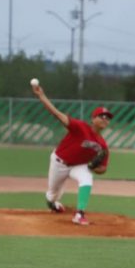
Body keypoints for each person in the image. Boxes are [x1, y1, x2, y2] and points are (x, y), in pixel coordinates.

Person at [32, 81, 113, 226]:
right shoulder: (80, 127)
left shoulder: (103, 146)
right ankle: (52, 204)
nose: (105, 119)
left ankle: (79, 214)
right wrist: (42, 96)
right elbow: (57, 114)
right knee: (52, 195)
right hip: (59, 163)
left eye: (107, 118)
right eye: (102, 116)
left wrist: (93, 167)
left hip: (79, 166)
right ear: (93, 119)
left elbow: (103, 168)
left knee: (87, 177)